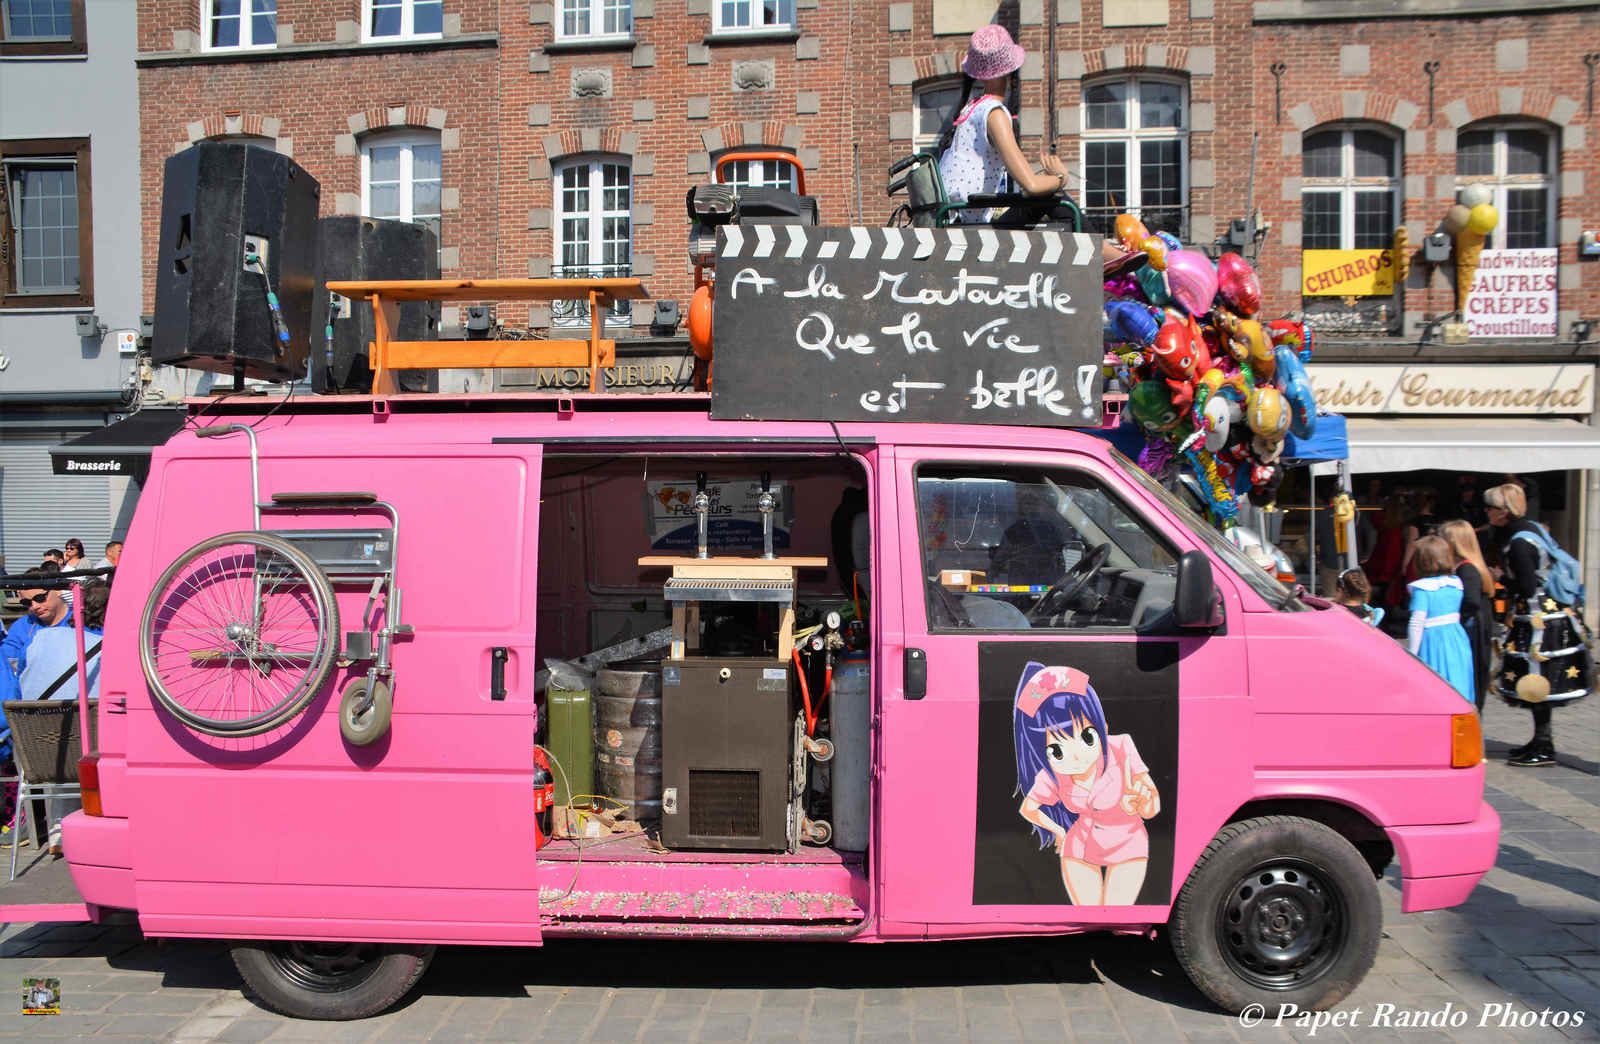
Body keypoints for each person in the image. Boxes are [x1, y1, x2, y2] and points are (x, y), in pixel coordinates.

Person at [1486, 482, 1588, 767]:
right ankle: (1541, 739)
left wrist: (1499, 577)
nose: (1487, 512)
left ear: (1504, 510)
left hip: (1538, 622)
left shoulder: (1518, 542)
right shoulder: (1532, 529)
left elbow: (1528, 586)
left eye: (1491, 507)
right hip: (1548, 615)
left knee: (1538, 678)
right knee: (1540, 678)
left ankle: (1544, 745)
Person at [937, 24, 1068, 226]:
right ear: (1010, 69)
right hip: (973, 225)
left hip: (957, 217)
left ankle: (1106, 246)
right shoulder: (993, 114)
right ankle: (1106, 247)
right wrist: (1060, 177)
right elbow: (1031, 185)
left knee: (1048, 195)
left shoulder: (971, 109)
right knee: (1055, 198)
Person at [1406, 536, 1476, 705]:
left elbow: (1416, 622)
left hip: (1433, 640)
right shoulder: (1456, 583)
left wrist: (1411, 655)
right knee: (1458, 677)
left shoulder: (1422, 589)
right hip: (1456, 637)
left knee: (1435, 681)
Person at [1438, 519, 1493, 713]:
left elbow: (1471, 601)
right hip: (1474, 626)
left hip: (1473, 629)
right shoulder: (1464, 567)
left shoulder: (1467, 569)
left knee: (1473, 674)